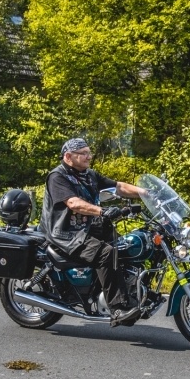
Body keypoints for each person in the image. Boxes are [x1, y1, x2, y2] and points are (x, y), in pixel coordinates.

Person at [40, 138, 146, 327]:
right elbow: (73, 203)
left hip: (89, 227)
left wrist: (146, 192)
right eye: (84, 153)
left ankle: (130, 292)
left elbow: (118, 187)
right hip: (66, 233)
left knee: (126, 247)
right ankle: (118, 308)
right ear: (68, 156)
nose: (89, 157)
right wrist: (102, 211)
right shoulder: (57, 177)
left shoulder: (89, 175)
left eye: (89, 152)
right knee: (106, 254)